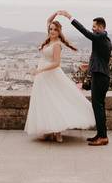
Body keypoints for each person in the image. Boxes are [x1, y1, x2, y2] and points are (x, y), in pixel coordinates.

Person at [24, 14, 95, 142]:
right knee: (45, 102)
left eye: (55, 29)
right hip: (43, 76)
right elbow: (48, 20)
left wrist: (40, 70)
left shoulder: (57, 44)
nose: (52, 31)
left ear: (59, 32)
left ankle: (58, 131)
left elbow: (56, 63)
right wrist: (56, 13)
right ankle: (49, 129)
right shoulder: (49, 40)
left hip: (51, 74)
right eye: (51, 29)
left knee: (56, 100)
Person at [57, 10, 112, 146]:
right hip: (101, 75)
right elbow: (102, 59)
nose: (92, 29)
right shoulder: (104, 39)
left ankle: (103, 137)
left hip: (100, 77)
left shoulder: (100, 37)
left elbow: (84, 32)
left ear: (100, 27)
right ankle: (100, 134)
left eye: (94, 26)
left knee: (98, 107)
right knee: (99, 107)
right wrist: (88, 66)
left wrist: (70, 17)